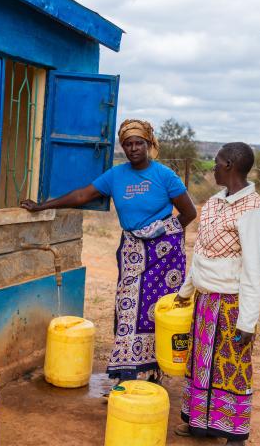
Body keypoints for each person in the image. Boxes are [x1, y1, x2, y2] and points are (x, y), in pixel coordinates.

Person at [21, 119, 197, 385]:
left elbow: (189, 213)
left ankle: (152, 374)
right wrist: (42, 206)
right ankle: (127, 373)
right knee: (127, 308)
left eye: (139, 143)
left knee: (156, 310)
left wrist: (162, 237)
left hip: (164, 256)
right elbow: (82, 195)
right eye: (128, 144)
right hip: (133, 252)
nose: (133, 148)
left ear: (149, 144)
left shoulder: (165, 176)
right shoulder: (116, 176)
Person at [174, 142, 260, 446]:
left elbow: (253, 270)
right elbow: (200, 252)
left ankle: (234, 433)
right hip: (205, 301)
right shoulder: (214, 203)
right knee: (201, 363)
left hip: (231, 305)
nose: (212, 167)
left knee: (231, 367)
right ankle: (199, 423)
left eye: (216, 163)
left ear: (229, 165)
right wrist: (186, 290)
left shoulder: (253, 209)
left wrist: (248, 321)